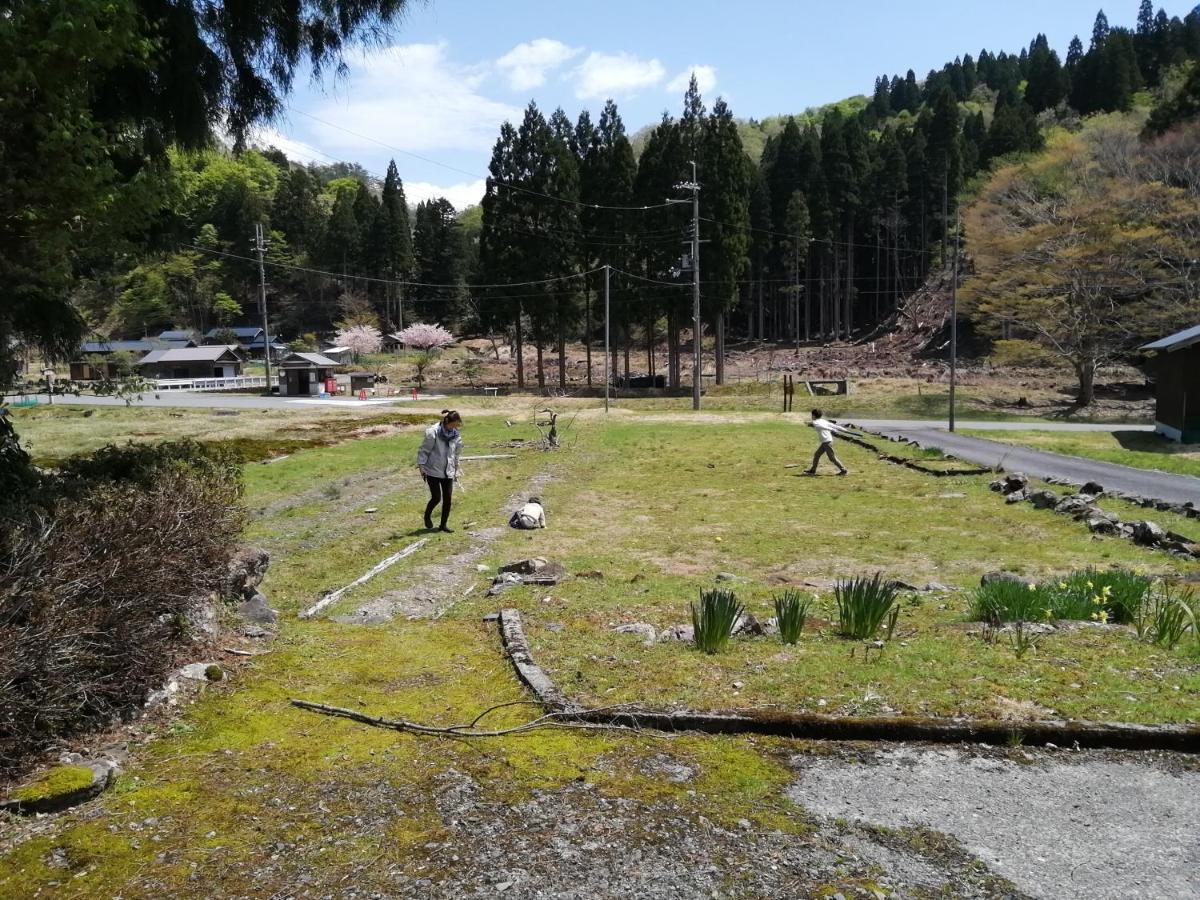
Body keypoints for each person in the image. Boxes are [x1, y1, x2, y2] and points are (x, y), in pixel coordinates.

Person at [417, 410, 463, 532]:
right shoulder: (433, 432)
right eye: (453, 425)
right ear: (447, 421)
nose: (455, 428)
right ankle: (427, 515)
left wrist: (456, 469)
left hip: (448, 471)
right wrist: (421, 466)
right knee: (436, 497)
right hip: (432, 470)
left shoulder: (456, 435)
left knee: (448, 499)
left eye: (456, 426)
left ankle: (443, 525)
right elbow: (424, 450)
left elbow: (456, 454)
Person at [804, 408, 853, 476]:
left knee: (832, 458)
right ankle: (813, 470)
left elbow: (826, 426)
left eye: (812, 415)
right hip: (825, 441)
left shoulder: (816, 422)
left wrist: (843, 429)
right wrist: (839, 429)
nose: (811, 416)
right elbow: (831, 426)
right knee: (817, 455)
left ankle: (844, 470)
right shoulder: (821, 421)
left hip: (827, 442)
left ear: (814, 415)